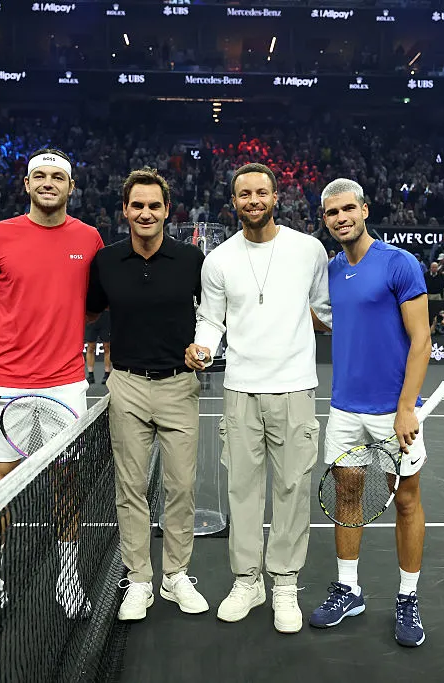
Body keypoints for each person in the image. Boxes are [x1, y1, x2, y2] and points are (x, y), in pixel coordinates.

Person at [0, 147, 104, 629]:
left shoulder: (89, 238)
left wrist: (62, 326)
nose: (48, 182)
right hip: (4, 386)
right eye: (39, 175)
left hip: (65, 384)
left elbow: (95, 304)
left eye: (57, 176)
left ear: (70, 187)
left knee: (67, 484)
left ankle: (68, 575)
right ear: (26, 184)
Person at [185, 163, 332, 634]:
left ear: (276, 197)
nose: (253, 200)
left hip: (294, 388)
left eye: (261, 192)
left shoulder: (308, 250)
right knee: (242, 491)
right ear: (235, 202)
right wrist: (204, 347)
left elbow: (327, 311)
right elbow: (211, 319)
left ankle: (285, 582)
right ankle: (247, 580)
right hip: (240, 390)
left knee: (291, 489)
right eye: (244, 194)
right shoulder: (220, 260)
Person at [304, 178, 432, 648]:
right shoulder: (332, 272)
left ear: (364, 209)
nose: (341, 218)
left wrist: (405, 407)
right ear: (325, 219)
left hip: (392, 411)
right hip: (343, 410)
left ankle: (407, 597)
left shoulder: (399, 264)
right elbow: (324, 318)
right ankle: (348, 588)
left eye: (347, 209)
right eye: (332, 212)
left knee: (406, 502)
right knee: (348, 498)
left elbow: (422, 340)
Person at [86, 168, 209, 621]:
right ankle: (139, 580)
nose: (145, 213)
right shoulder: (105, 263)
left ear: (166, 210)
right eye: (137, 205)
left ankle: (175, 575)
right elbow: (86, 310)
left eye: (153, 205)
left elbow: (215, 314)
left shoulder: (191, 260)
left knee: (180, 487)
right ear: (125, 210)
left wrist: (206, 347)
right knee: (130, 489)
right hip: (127, 385)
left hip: (180, 385)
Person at [83, 310, 112, 384]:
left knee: (107, 347)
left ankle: (107, 374)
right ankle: (90, 375)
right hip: (91, 316)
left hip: (105, 316)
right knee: (90, 347)